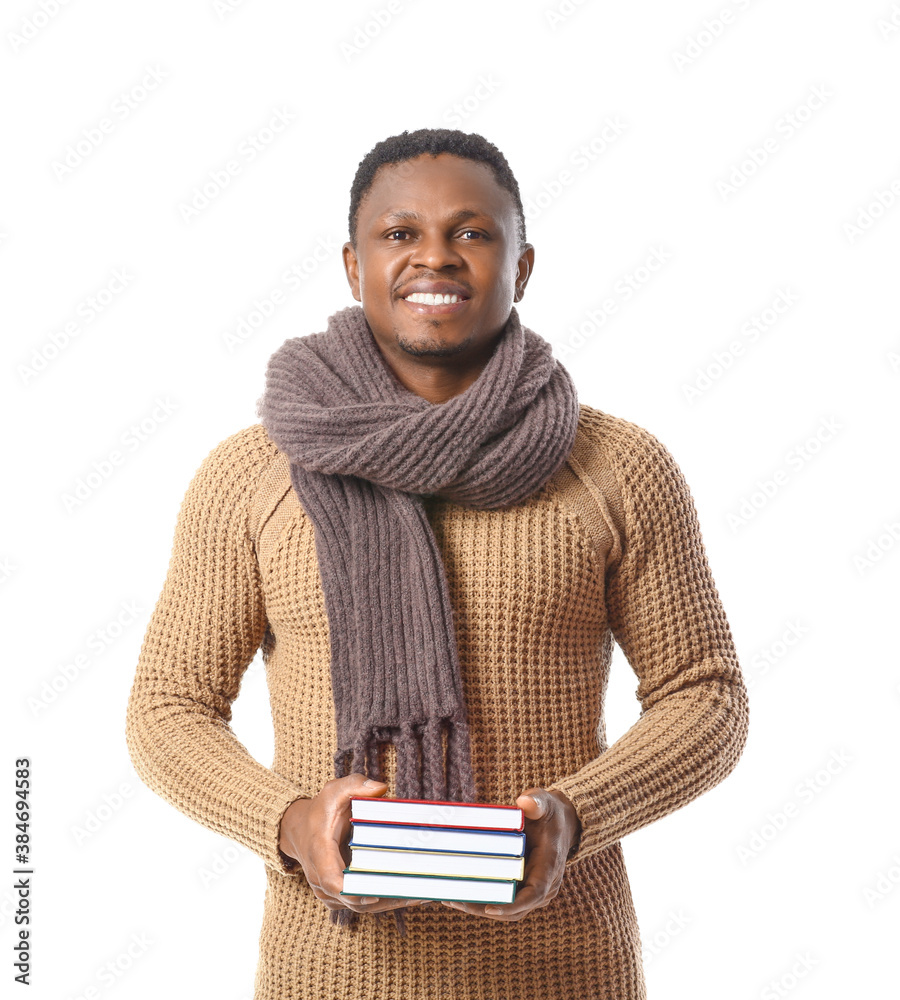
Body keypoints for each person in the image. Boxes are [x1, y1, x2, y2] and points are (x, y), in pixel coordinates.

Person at [125, 128, 749, 1000]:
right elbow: (168, 708)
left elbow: (706, 694)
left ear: (522, 265)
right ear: (353, 265)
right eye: (399, 234)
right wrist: (291, 822)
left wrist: (576, 818)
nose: (435, 258)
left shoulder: (616, 466)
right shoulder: (252, 475)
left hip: (565, 973)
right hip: (329, 975)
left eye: (472, 232)